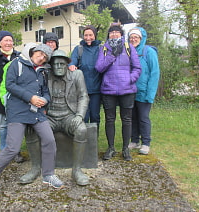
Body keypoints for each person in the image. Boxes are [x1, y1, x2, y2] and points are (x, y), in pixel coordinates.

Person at [0, 43, 64, 198]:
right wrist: (30, 97)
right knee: (12, 148)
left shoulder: (43, 71)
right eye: (40, 54)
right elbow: (9, 85)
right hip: (17, 112)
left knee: (49, 140)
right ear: (34, 52)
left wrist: (44, 100)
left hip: (37, 113)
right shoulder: (17, 63)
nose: (41, 58)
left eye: (45, 57)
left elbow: (46, 91)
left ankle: (48, 175)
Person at [20, 49, 90, 186]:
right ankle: (35, 168)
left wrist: (79, 115)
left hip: (68, 116)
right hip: (49, 117)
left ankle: (77, 170)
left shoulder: (77, 75)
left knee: (81, 130)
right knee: (31, 129)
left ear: (67, 65)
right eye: (56, 64)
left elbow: (83, 96)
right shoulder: (45, 74)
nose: (59, 67)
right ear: (51, 66)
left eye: (62, 64)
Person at [95, 23, 141, 161]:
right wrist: (111, 56)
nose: (114, 34)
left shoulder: (129, 47)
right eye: (111, 32)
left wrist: (130, 79)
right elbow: (99, 68)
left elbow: (137, 68)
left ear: (121, 34)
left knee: (126, 120)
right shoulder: (104, 49)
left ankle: (125, 149)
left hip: (127, 90)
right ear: (108, 35)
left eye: (117, 32)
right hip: (108, 90)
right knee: (110, 120)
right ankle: (111, 148)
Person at [0, 30, 24, 163]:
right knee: (3, 126)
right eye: (5, 40)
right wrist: (6, 86)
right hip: (1, 97)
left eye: (10, 40)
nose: (8, 43)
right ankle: (4, 151)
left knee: (16, 125)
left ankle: (16, 151)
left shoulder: (19, 57)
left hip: (17, 97)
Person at [128, 27, 160, 155]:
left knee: (143, 118)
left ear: (141, 38)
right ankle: (134, 140)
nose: (133, 39)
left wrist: (150, 94)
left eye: (136, 37)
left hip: (144, 92)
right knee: (132, 117)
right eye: (131, 37)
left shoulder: (149, 52)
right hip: (131, 92)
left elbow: (155, 73)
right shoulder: (128, 51)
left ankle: (146, 143)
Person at [68, 25, 102, 129]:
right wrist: (71, 65)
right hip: (82, 89)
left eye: (90, 35)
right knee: (84, 115)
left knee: (95, 116)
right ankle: (84, 139)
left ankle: (94, 140)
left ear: (95, 35)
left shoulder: (101, 49)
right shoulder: (79, 49)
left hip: (97, 89)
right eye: (86, 35)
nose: (88, 37)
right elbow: (71, 61)